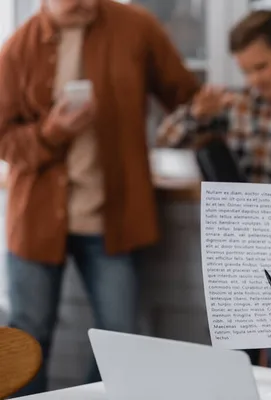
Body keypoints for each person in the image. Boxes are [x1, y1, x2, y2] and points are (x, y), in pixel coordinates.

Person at [0, 0, 199, 395]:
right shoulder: (17, 49)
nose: (88, 3)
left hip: (115, 218)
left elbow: (185, 97)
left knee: (120, 339)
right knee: (27, 336)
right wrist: (51, 132)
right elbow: (5, 141)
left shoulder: (136, 28)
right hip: (37, 219)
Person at [157, 10, 271, 374]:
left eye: (262, 67)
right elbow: (166, 139)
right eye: (246, 71)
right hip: (233, 264)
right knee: (230, 366)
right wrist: (196, 113)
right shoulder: (232, 107)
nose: (254, 79)